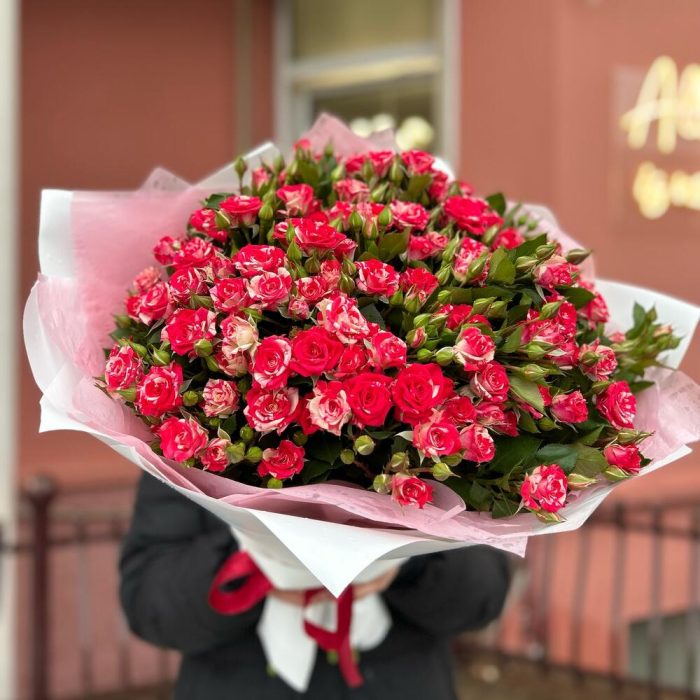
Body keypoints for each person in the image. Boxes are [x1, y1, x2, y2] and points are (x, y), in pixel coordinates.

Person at [120, 473, 512, 699]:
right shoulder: (185, 443)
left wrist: (407, 561)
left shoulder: (432, 448)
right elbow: (150, 605)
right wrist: (256, 554)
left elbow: (484, 594)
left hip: (403, 683)